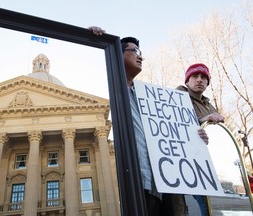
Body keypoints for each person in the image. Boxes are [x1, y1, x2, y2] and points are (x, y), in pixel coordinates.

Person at [89, 27, 209, 215]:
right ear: (118, 54)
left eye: (141, 53)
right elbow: (104, 57)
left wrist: (198, 131)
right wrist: (96, 38)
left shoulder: (145, 96)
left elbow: (174, 129)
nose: (141, 57)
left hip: (160, 184)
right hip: (138, 183)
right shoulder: (116, 85)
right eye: (135, 51)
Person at [176, 63, 224, 216]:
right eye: (194, 76)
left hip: (212, 162)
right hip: (190, 162)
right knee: (205, 203)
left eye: (204, 77)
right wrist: (204, 120)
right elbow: (179, 123)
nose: (199, 80)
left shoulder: (209, 105)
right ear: (187, 81)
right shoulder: (178, 95)